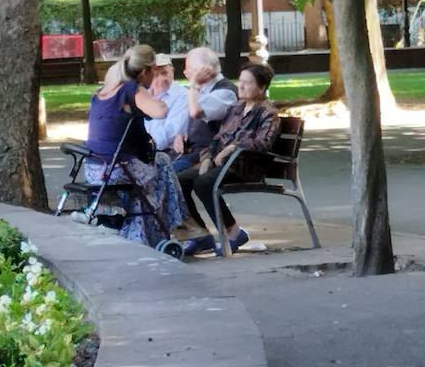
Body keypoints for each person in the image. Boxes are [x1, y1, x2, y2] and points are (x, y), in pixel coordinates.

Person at [83, 44, 188, 249]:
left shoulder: (103, 92)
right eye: (154, 72)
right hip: (116, 168)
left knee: (142, 186)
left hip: (93, 167)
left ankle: (138, 234)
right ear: (144, 72)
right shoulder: (130, 89)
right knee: (163, 164)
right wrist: (154, 97)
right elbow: (160, 111)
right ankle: (177, 222)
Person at [180, 63, 283, 255]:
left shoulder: (268, 113)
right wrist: (208, 157)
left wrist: (233, 147)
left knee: (203, 183)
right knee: (180, 181)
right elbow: (218, 137)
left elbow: (263, 143)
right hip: (223, 164)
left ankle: (233, 233)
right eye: (240, 81)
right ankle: (200, 235)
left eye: (248, 83)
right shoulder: (236, 107)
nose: (240, 86)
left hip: (246, 166)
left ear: (261, 88)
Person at [146, 54, 192, 169]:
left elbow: (172, 129)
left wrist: (146, 146)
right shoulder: (144, 94)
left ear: (173, 71)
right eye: (156, 75)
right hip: (144, 151)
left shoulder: (182, 95)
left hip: (167, 154)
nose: (162, 78)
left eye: (165, 73)